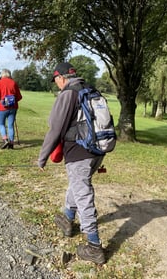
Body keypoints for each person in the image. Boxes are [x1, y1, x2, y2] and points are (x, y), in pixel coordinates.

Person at [37, 62, 106, 264]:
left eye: (56, 80)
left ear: (62, 78)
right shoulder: (91, 89)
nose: (57, 84)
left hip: (79, 152)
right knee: (78, 184)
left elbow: (55, 129)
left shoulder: (67, 94)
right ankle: (68, 219)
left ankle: (94, 246)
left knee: (83, 192)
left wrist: (42, 157)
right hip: (98, 150)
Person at [0, 69, 22, 149]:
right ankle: (11, 142)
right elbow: (19, 97)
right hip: (13, 107)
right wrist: (12, 100)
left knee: (1, 124)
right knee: (10, 125)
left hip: (2, 108)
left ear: (2, 74)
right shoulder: (13, 82)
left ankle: (5, 140)